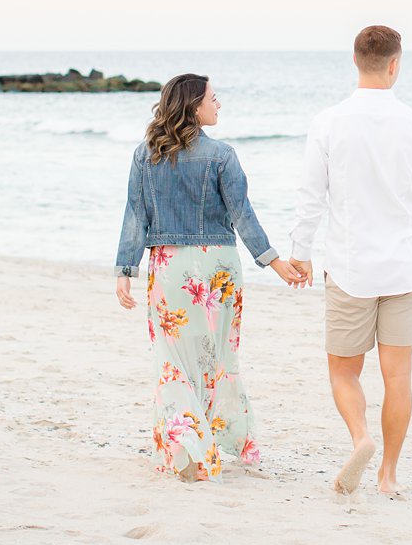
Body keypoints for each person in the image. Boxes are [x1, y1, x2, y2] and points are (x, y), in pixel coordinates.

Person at [287, 25, 412, 495]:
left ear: (356, 61)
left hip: (349, 267)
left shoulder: (329, 122)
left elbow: (310, 196)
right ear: (395, 64)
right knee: (398, 375)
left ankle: (361, 438)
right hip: (405, 269)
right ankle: (389, 476)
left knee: (344, 370)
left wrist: (300, 252)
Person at [114, 73, 302, 481]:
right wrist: (273, 260)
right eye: (214, 99)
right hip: (217, 268)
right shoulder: (222, 155)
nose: (219, 105)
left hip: (169, 267)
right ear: (194, 106)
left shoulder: (145, 155)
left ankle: (188, 448)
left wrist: (125, 270)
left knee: (174, 360)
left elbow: (135, 216)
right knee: (218, 357)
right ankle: (226, 441)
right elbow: (242, 215)